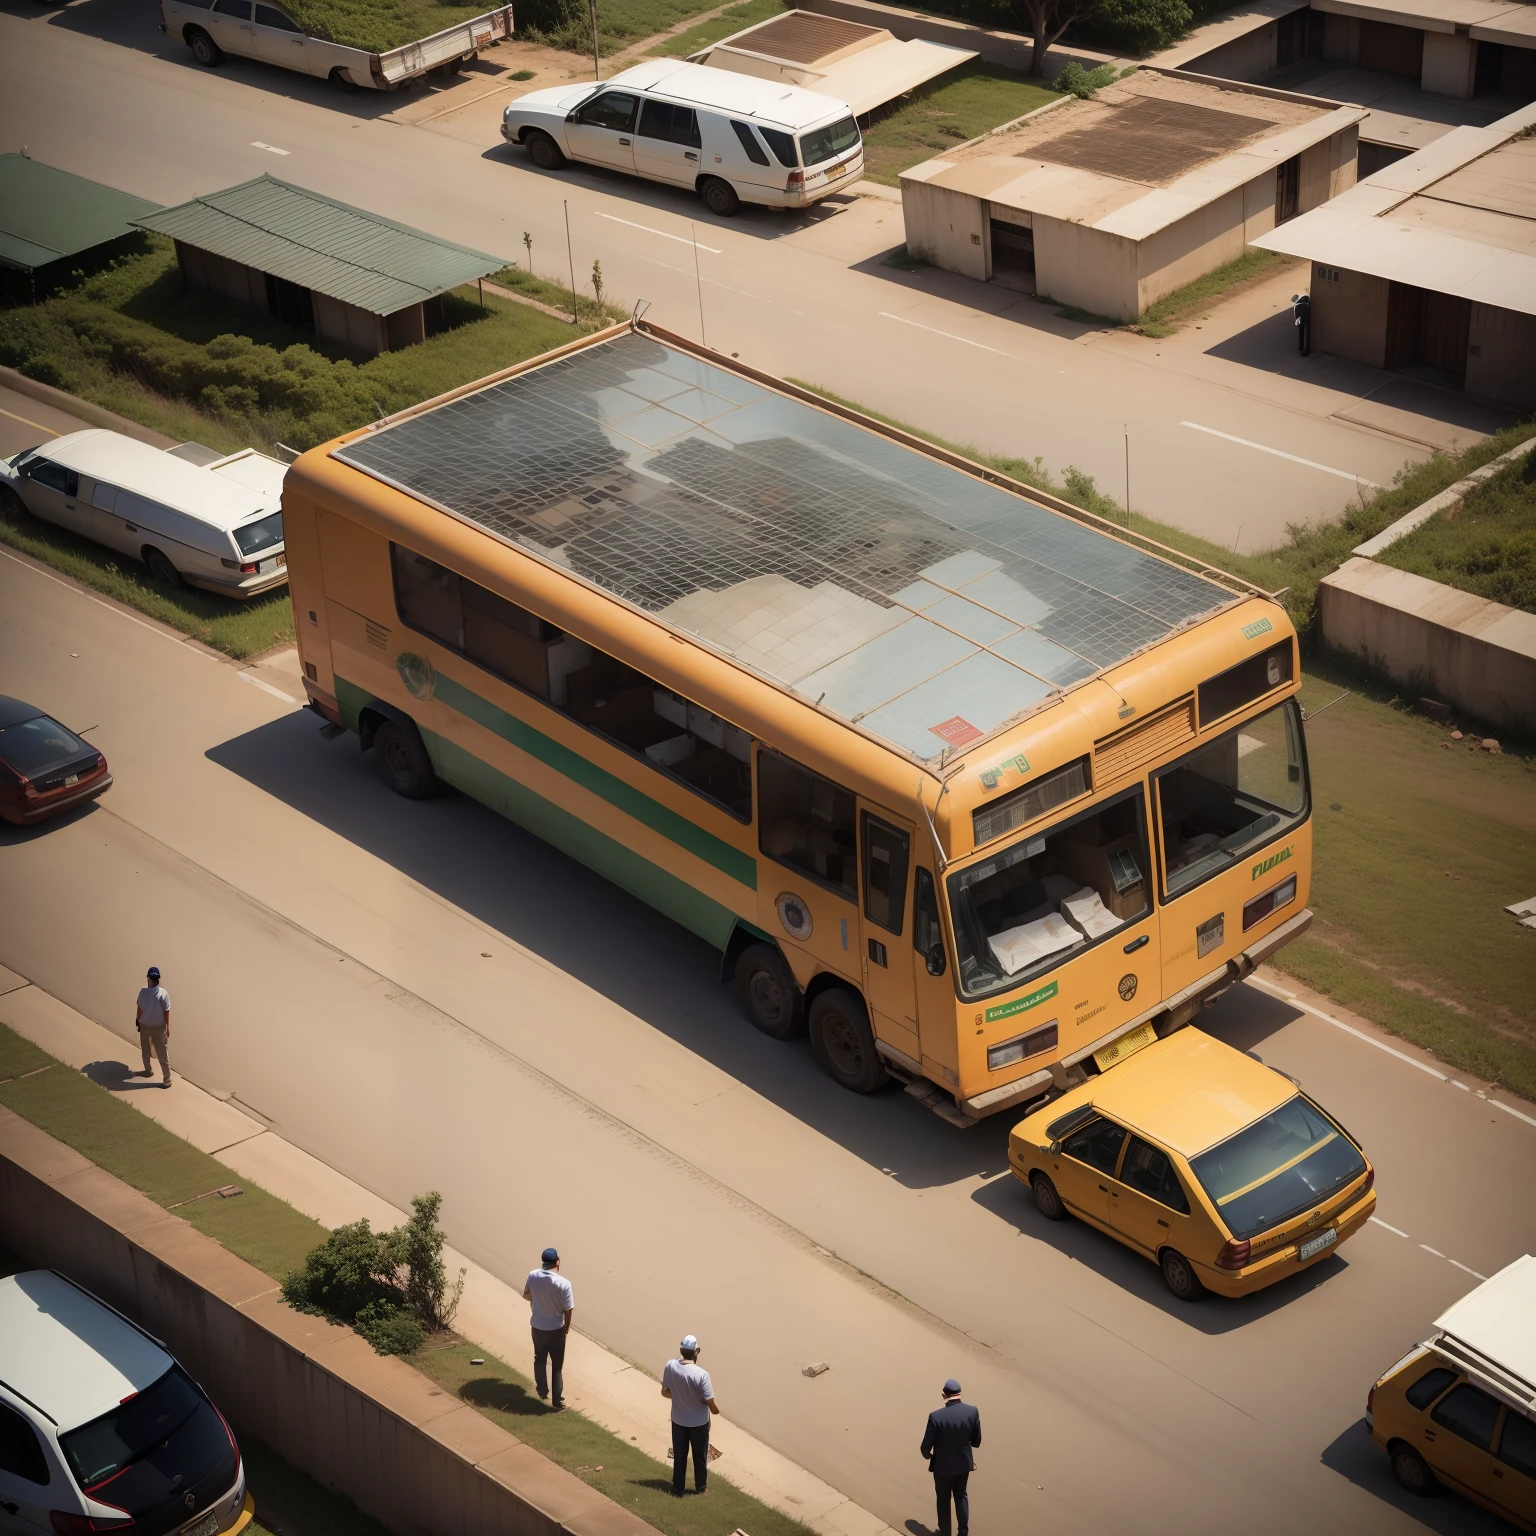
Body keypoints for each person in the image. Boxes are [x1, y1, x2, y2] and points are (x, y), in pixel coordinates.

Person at [921, 1379, 981, 1536]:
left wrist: (930, 1456)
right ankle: (963, 1532)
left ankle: (945, 1532)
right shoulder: (972, 1411)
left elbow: (925, 1448)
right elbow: (976, 1442)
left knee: (943, 1498)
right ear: (960, 1394)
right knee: (961, 1495)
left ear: (944, 1395)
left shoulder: (935, 1416)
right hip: (963, 1465)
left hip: (942, 1467)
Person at [661, 1334, 718, 1497]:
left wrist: (680, 1397)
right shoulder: (702, 1375)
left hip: (678, 1420)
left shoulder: (670, 1366)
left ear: (681, 1350)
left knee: (679, 1454)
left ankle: (678, 1487)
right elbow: (710, 1402)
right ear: (696, 1352)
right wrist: (715, 1410)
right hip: (699, 1423)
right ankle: (700, 1488)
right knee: (699, 1456)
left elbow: (665, 1392)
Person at [522, 1247, 573, 1409]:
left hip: (537, 1326)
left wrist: (538, 1300)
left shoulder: (533, 1275)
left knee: (539, 1358)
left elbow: (526, 1295)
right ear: (557, 1262)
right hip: (555, 1329)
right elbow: (568, 1309)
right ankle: (557, 1401)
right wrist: (566, 1328)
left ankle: (542, 1390)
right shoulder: (564, 1283)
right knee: (557, 1366)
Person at [134, 966, 171, 1089]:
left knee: (145, 1049)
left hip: (145, 1026)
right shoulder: (163, 993)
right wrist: (168, 1027)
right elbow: (166, 1012)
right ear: (158, 979)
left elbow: (140, 1009)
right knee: (162, 1053)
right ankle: (167, 1079)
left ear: (148, 978)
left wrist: (137, 1021)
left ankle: (148, 1070)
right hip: (159, 1028)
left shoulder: (143, 992)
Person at [1291, 291, 1311, 356]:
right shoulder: (1306, 302)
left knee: (1303, 334)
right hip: (1306, 319)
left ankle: (1302, 348)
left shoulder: (1298, 305)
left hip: (1302, 321)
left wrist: (1297, 321)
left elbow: (1297, 315)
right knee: (1307, 334)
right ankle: (1303, 348)